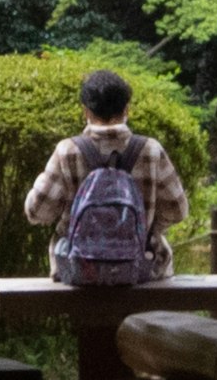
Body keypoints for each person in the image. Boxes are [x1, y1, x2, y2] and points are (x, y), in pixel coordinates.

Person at [24, 67, 189, 285]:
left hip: (79, 274)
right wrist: (146, 227)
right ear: (126, 109)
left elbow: (37, 212)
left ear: (86, 112)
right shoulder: (151, 150)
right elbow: (178, 211)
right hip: (142, 271)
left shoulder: (67, 151)